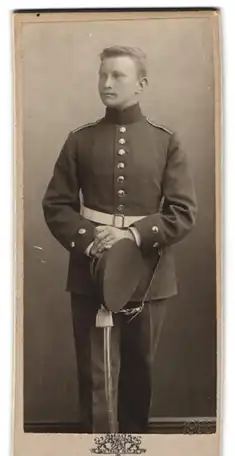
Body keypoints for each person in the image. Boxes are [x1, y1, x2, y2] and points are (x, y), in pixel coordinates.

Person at [42, 45, 197, 434]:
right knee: (95, 372)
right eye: (102, 75)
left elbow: (182, 211)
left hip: (149, 272)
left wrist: (131, 234)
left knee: (138, 368)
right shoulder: (80, 140)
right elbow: (57, 205)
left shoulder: (166, 142)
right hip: (91, 265)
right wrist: (91, 238)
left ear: (141, 84)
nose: (106, 83)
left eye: (118, 76)